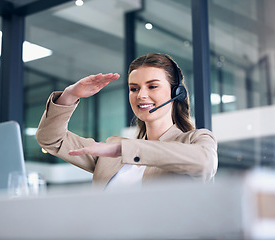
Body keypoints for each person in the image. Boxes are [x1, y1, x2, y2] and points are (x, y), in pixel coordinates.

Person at [36, 53, 218, 190]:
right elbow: (51, 139)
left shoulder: (195, 139)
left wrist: (124, 150)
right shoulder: (111, 150)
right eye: (134, 88)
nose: (141, 95)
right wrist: (70, 95)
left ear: (176, 92)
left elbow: (205, 163)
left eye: (152, 86)